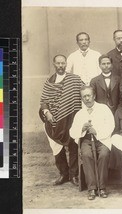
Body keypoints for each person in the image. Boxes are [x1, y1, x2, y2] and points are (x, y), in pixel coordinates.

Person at [39, 54, 83, 186]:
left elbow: (85, 93)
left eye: (63, 63)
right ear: (54, 64)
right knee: (56, 147)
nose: (60, 66)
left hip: (72, 118)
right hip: (54, 121)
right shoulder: (49, 82)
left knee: (73, 146)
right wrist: (47, 112)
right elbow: (43, 101)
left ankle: (74, 175)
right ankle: (63, 173)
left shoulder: (75, 79)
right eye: (58, 63)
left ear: (66, 64)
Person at [70, 86, 115, 200]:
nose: (87, 98)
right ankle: (92, 188)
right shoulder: (79, 113)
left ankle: (102, 187)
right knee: (86, 155)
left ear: (94, 96)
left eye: (89, 95)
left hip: (102, 139)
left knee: (104, 155)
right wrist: (82, 128)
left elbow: (111, 125)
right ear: (81, 98)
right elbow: (72, 132)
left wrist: (97, 132)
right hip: (86, 140)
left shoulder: (103, 108)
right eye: (84, 96)